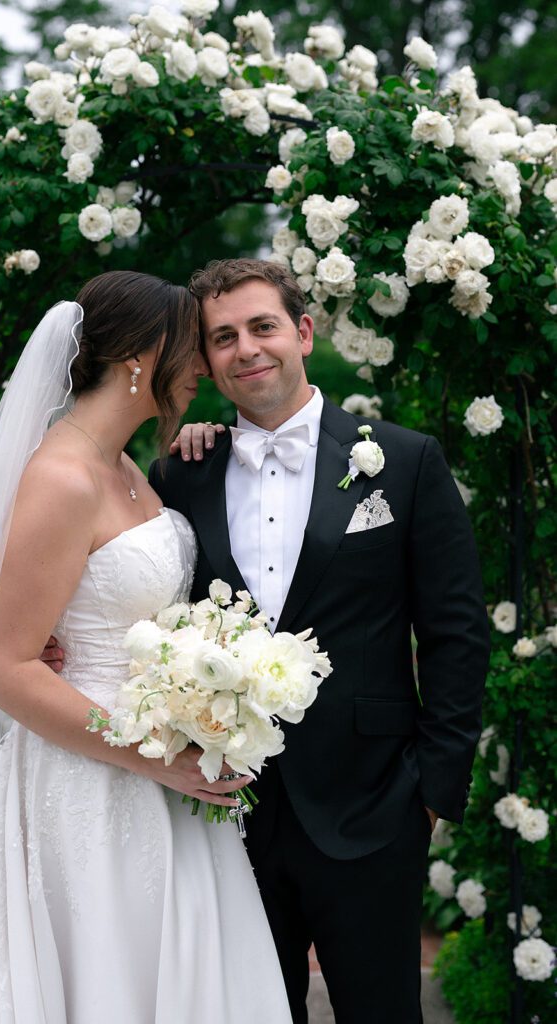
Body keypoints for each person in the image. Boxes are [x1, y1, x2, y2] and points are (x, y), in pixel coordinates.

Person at [0, 271, 293, 1023]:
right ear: (139, 355)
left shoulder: (129, 466)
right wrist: (147, 754)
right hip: (87, 779)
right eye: (190, 348)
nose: (203, 366)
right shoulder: (61, 476)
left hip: (160, 768)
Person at [151, 258, 490, 1023]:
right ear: (205, 360)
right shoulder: (181, 474)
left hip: (373, 804)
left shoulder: (403, 463)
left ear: (302, 331)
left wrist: (431, 794)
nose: (246, 349)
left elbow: (455, 633)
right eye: (223, 337)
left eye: (262, 326)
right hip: (224, 813)